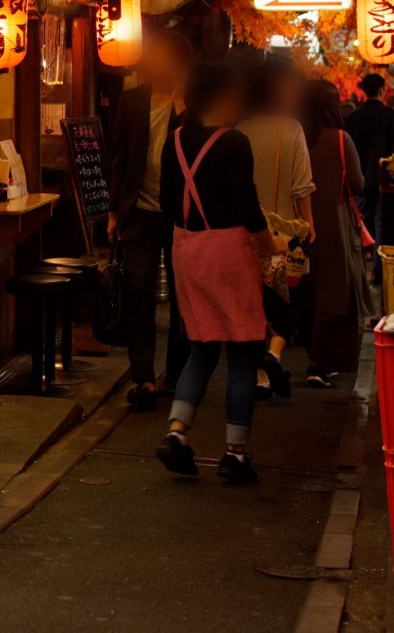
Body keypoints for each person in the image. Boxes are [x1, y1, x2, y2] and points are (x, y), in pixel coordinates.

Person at [155, 62, 281, 485]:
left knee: (201, 349)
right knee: (244, 357)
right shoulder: (234, 143)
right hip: (228, 252)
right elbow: (248, 207)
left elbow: (169, 204)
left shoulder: (172, 142)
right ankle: (235, 455)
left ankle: (177, 433)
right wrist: (274, 246)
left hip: (186, 250)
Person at [104, 29, 194, 411]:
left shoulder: (193, 106)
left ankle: (176, 372)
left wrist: (181, 104)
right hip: (138, 212)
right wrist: (113, 211)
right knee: (139, 292)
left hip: (181, 216)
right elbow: (119, 156)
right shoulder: (132, 100)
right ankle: (143, 377)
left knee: (182, 298)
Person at [236, 59, 313, 397]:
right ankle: (273, 353)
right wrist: (310, 226)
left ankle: (258, 377)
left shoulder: (239, 130)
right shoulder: (292, 128)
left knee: (252, 305)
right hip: (284, 237)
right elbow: (302, 187)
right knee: (289, 301)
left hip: (247, 235)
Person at [301, 80, 378, 385]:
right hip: (335, 221)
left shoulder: (298, 137)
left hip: (302, 222)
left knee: (309, 287)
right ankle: (323, 361)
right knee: (337, 289)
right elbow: (357, 183)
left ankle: (311, 354)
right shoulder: (341, 139)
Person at [343, 72, 394, 242]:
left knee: (360, 223)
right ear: (382, 90)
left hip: (359, 177)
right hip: (386, 177)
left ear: (364, 91)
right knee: (381, 223)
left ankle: (362, 261)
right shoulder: (392, 116)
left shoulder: (353, 118)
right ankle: (378, 266)